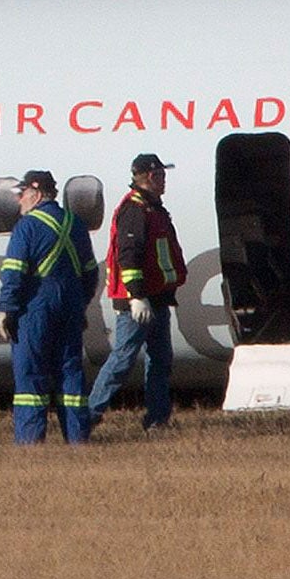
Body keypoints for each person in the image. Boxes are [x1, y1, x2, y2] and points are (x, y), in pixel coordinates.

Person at [86, 153, 186, 432]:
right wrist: (135, 296)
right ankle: (87, 417)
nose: (165, 181)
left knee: (160, 361)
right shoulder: (135, 210)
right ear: (151, 177)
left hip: (156, 298)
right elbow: (128, 256)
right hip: (138, 302)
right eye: (162, 175)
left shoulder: (153, 208)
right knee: (122, 359)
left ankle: (157, 419)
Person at [0, 168, 95, 445]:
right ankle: (78, 439)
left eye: (22, 193)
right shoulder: (74, 224)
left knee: (31, 376)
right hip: (70, 308)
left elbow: (14, 272)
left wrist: (7, 309)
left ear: (37, 193)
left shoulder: (26, 227)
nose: (19, 200)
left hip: (35, 310)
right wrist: (81, 304)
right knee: (70, 373)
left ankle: (30, 442)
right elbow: (90, 272)